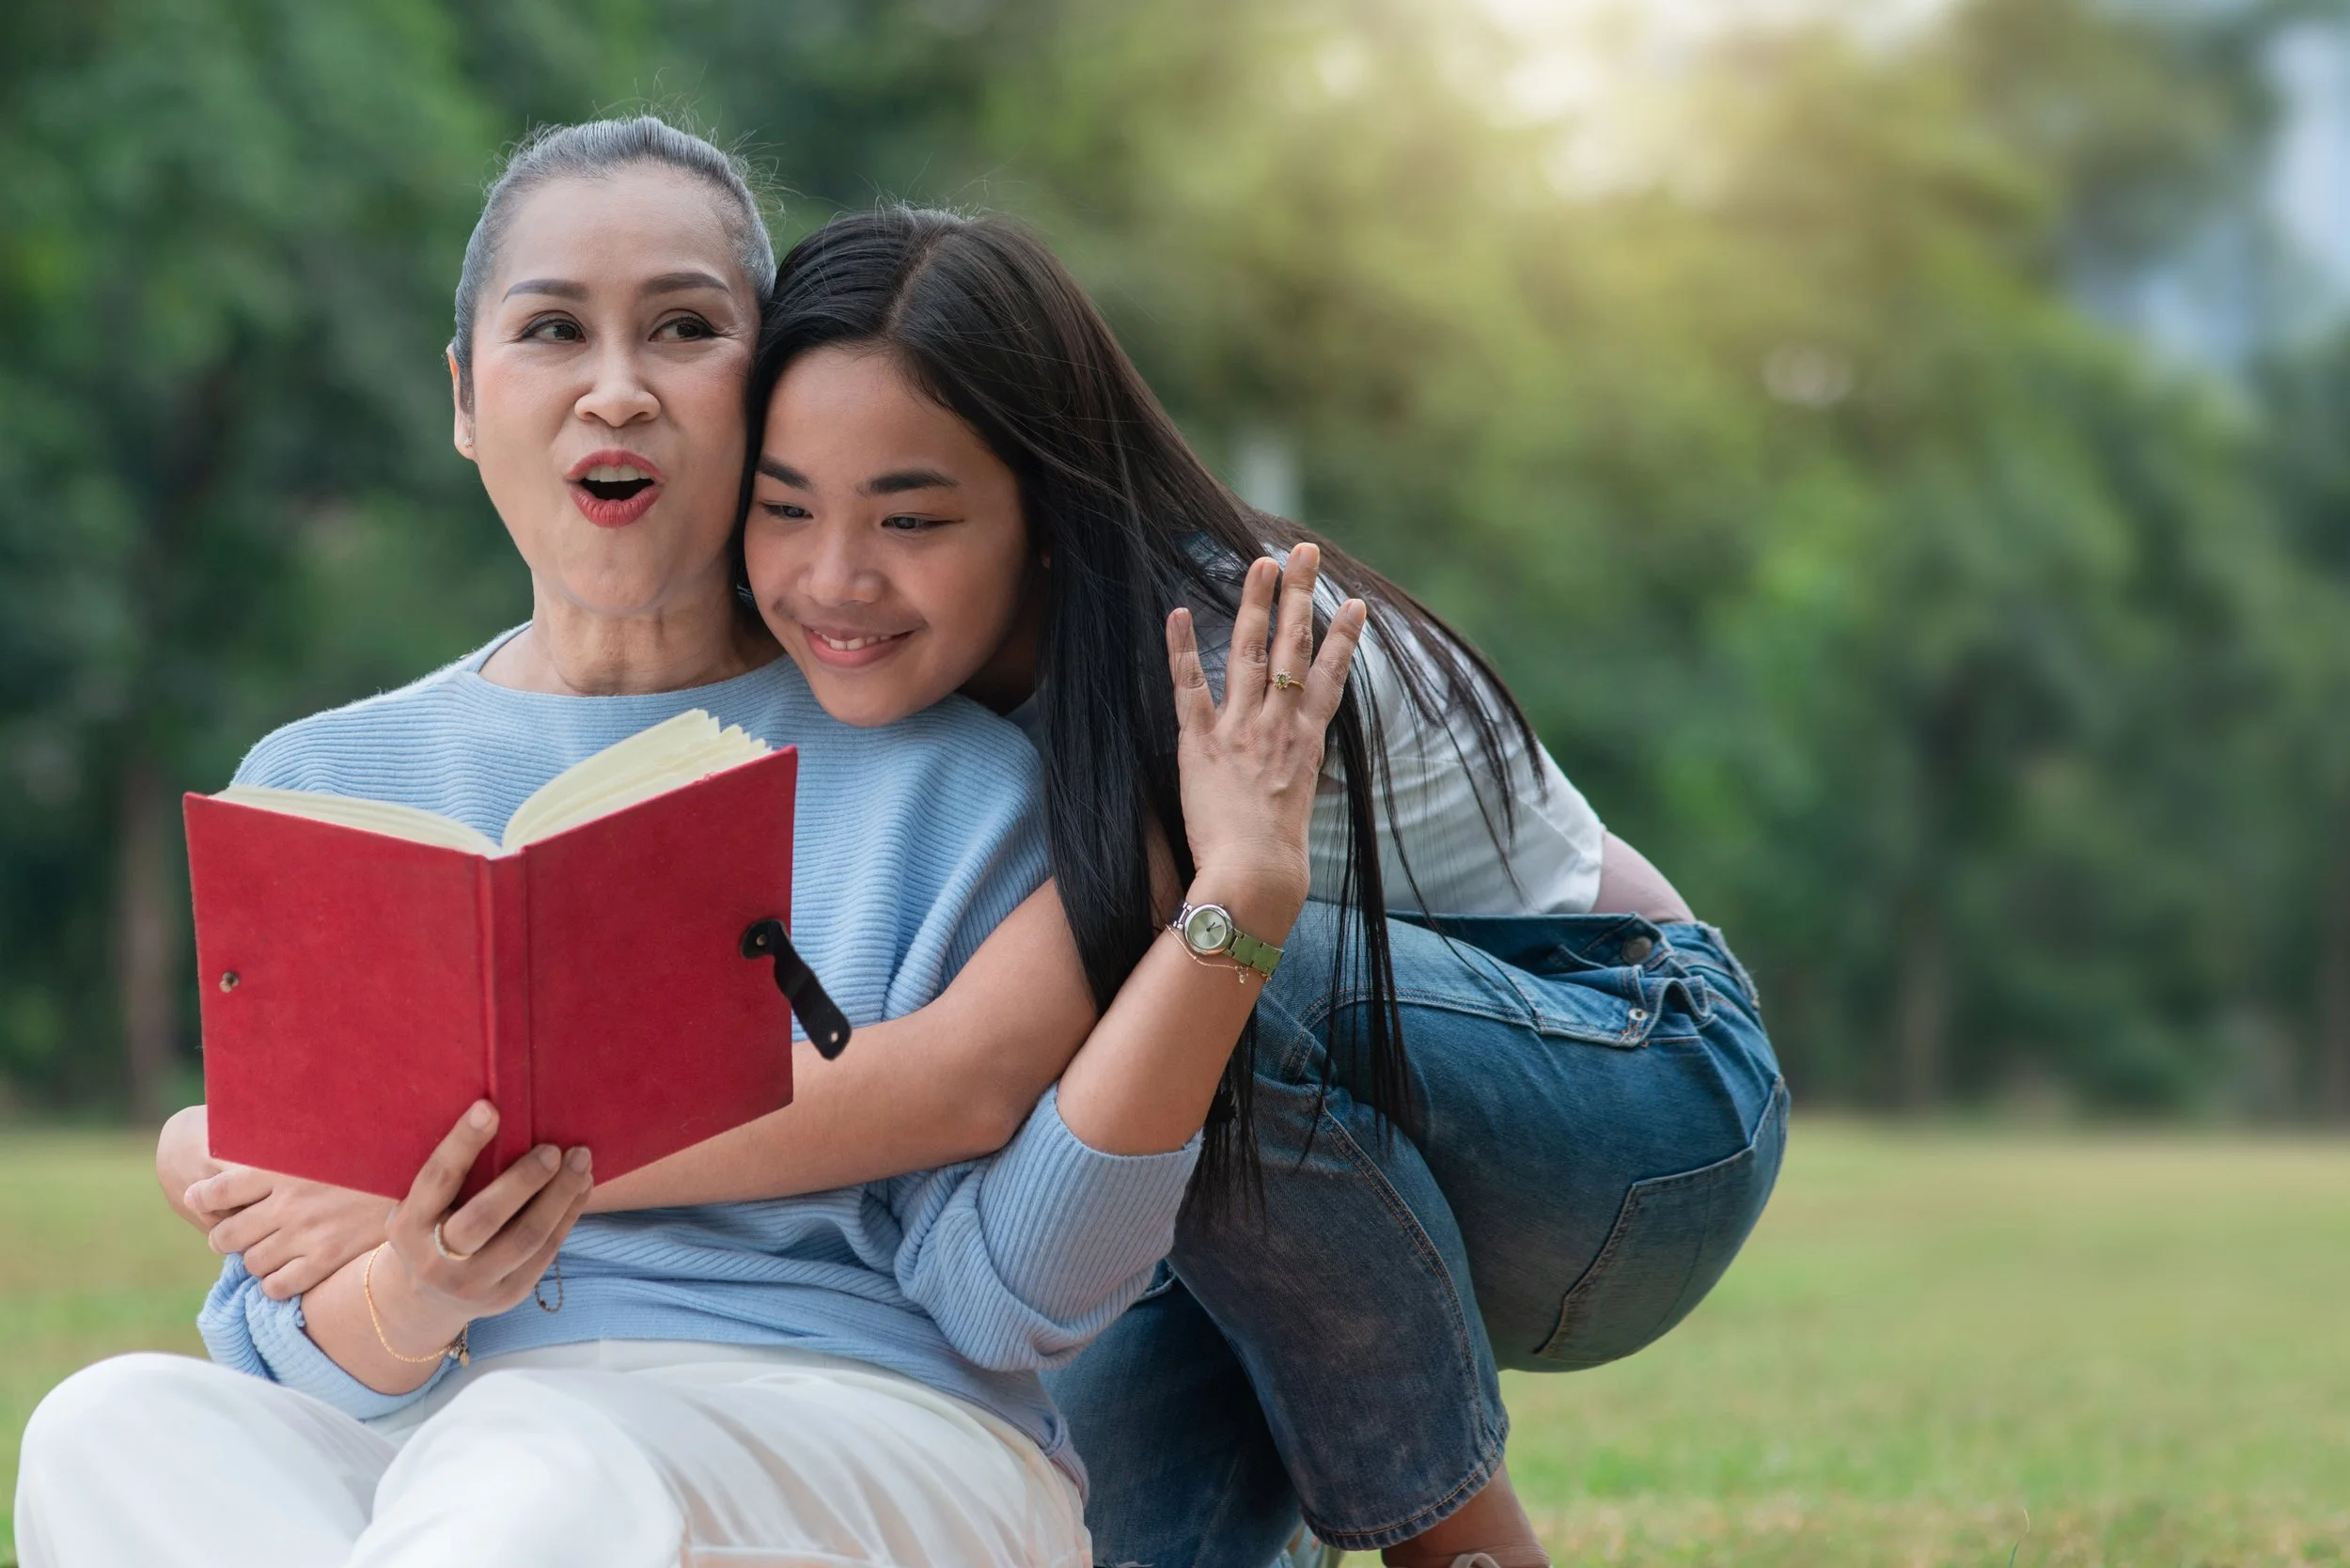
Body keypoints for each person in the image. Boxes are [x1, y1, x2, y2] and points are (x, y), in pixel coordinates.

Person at [16, 118, 1361, 1568]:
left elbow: (1013, 1300)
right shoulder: (318, 783)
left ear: (761, 387)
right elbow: (293, 1346)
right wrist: (422, 1281)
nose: (616, 388)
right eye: (551, 330)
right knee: (108, 1425)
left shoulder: (962, 782)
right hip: (432, 1458)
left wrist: (1232, 902)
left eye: (682, 328)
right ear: (466, 398)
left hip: (859, 1438)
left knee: (531, 1457)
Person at [732, 206, 1788, 1568]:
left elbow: (964, 1081)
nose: (835, 577)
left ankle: (1469, 1552)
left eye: (912, 516)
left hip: (1636, 1112)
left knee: (1208, 967)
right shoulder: (864, 689)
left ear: (1046, 512)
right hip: (1290, 1176)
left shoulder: (1221, 666)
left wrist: (568, 1148)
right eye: (783, 508)